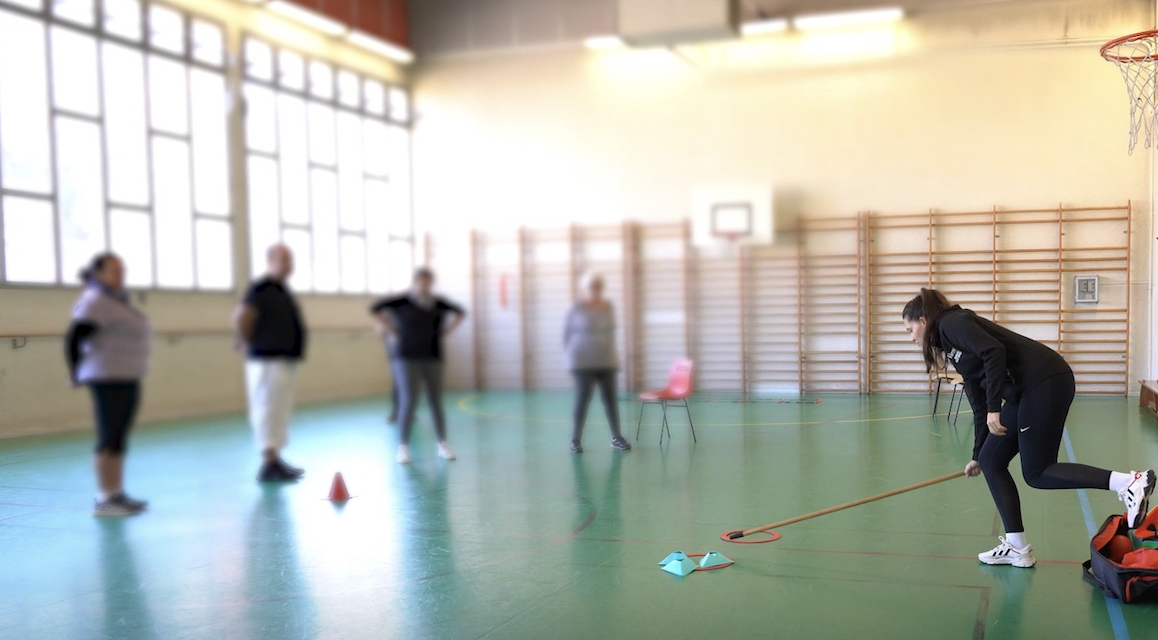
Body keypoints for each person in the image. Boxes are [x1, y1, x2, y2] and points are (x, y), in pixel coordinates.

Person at [902, 288, 1155, 568]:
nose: (910, 336)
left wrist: (995, 410)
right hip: (1025, 391)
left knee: (1037, 471)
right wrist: (977, 453)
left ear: (923, 320)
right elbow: (977, 401)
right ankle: (1017, 547)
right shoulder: (951, 348)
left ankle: (1128, 483)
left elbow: (993, 351)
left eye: (909, 328)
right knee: (990, 459)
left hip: (1044, 381)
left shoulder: (952, 323)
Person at [65, 253, 152, 517]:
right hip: (106, 377)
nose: (120, 275)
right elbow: (74, 338)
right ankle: (104, 499)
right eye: (114, 270)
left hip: (126, 376)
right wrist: (75, 372)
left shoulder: (115, 301)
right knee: (108, 436)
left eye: (122, 270)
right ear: (97, 274)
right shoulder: (95, 301)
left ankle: (116, 493)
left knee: (118, 437)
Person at [371, 267, 465, 464]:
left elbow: (460, 313)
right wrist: (391, 331)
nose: (425, 286)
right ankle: (403, 447)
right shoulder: (402, 301)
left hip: (433, 356)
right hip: (406, 356)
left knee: (435, 401)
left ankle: (442, 444)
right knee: (409, 400)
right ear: (415, 283)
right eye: (421, 282)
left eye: (428, 283)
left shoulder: (438, 303)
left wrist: (447, 330)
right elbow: (376, 308)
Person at [233, 244, 307, 483]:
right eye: (283, 259)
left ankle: (275, 459)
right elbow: (241, 316)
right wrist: (247, 340)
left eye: (290, 259)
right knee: (266, 409)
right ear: (271, 262)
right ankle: (268, 462)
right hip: (266, 359)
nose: (288, 264)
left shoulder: (282, 290)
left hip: (284, 359)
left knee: (279, 410)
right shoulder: (260, 288)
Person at [564, 272, 631, 453]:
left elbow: (610, 331)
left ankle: (616, 437)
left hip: (606, 359)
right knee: (582, 399)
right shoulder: (576, 308)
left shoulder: (607, 306)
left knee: (610, 400)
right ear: (585, 289)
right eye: (591, 287)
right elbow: (567, 333)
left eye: (598, 287)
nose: (595, 290)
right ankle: (575, 440)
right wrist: (571, 359)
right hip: (582, 361)